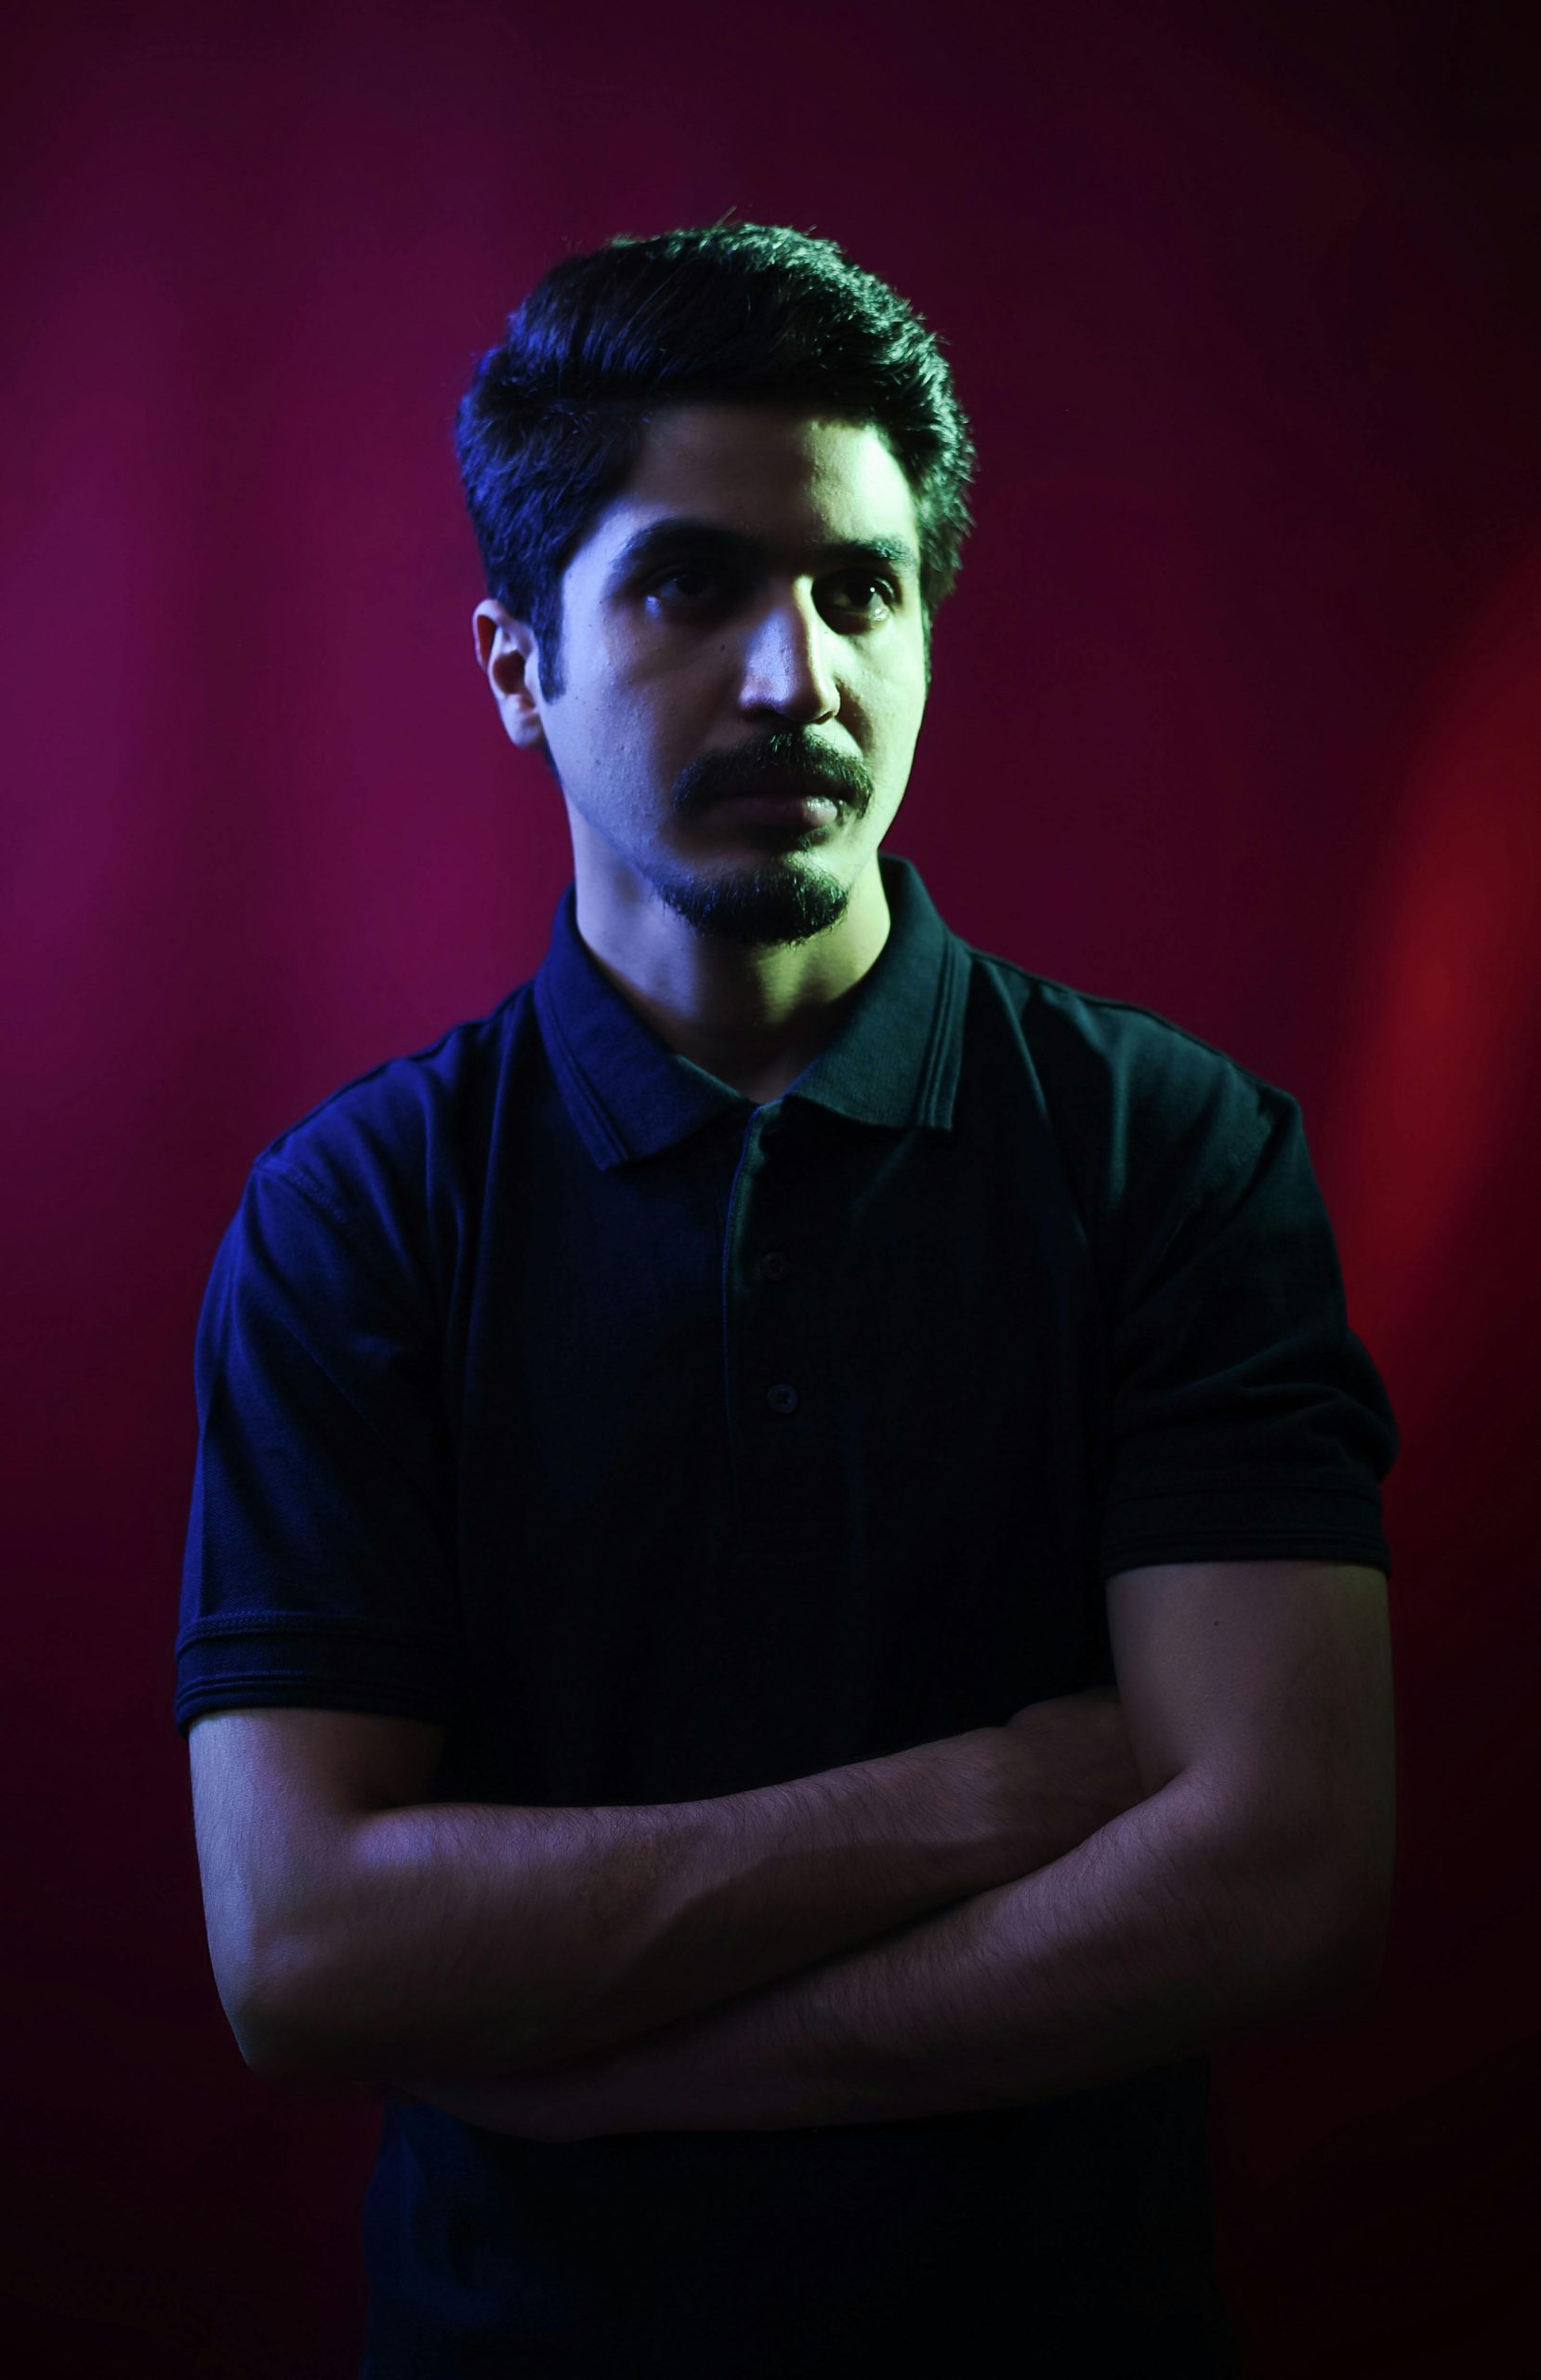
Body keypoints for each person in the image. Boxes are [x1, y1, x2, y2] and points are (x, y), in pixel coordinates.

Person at [177, 220, 1399, 2377]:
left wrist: (624, 2071)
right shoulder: (357, 1216)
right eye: (687, 584)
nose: (796, 676)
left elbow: (1285, 1863)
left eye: (860, 588)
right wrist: (995, 1791)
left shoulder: (1170, 1154)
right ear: (512, 662)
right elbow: (303, 1945)